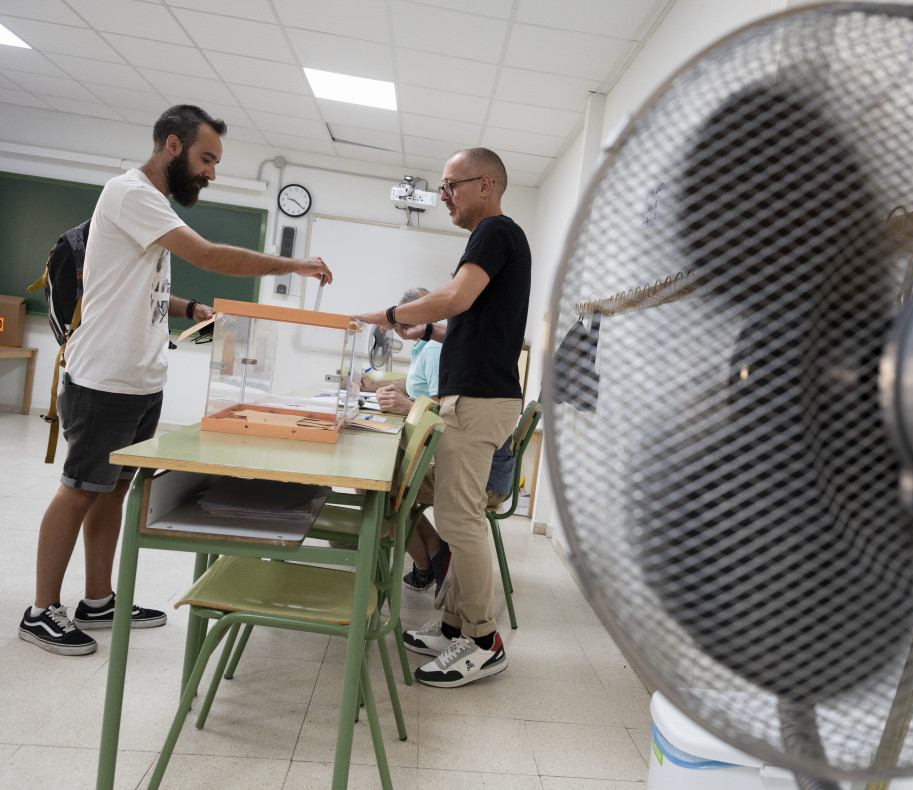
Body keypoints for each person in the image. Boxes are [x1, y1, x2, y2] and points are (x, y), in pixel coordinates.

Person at [18, 105, 333, 656]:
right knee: (78, 490)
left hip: (141, 380)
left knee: (113, 490)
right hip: (105, 381)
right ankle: (40, 610)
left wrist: (188, 308)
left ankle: (98, 599)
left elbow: (132, 285)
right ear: (171, 145)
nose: (212, 172)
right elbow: (208, 255)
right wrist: (294, 265)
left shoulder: (152, 204)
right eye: (206, 158)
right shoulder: (130, 192)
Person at [354, 147, 530, 688]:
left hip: (479, 403)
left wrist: (388, 315)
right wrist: (425, 331)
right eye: (443, 187)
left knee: (460, 521)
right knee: (455, 515)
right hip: (472, 397)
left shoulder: (494, 232)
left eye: (452, 185)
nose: (444, 196)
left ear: (487, 184)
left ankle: (481, 640)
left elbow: (454, 297)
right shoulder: (493, 241)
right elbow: (472, 324)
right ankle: (455, 624)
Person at [363, 287, 516, 594]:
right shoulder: (435, 348)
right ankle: (434, 553)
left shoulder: (437, 350)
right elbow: (419, 390)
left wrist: (408, 408)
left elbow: (442, 417)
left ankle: (429, 561)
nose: (402, 330)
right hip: (479, 465)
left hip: (479, 475)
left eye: (405, 322)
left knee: (379, 484)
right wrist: (373, 384)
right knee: (385, 480)